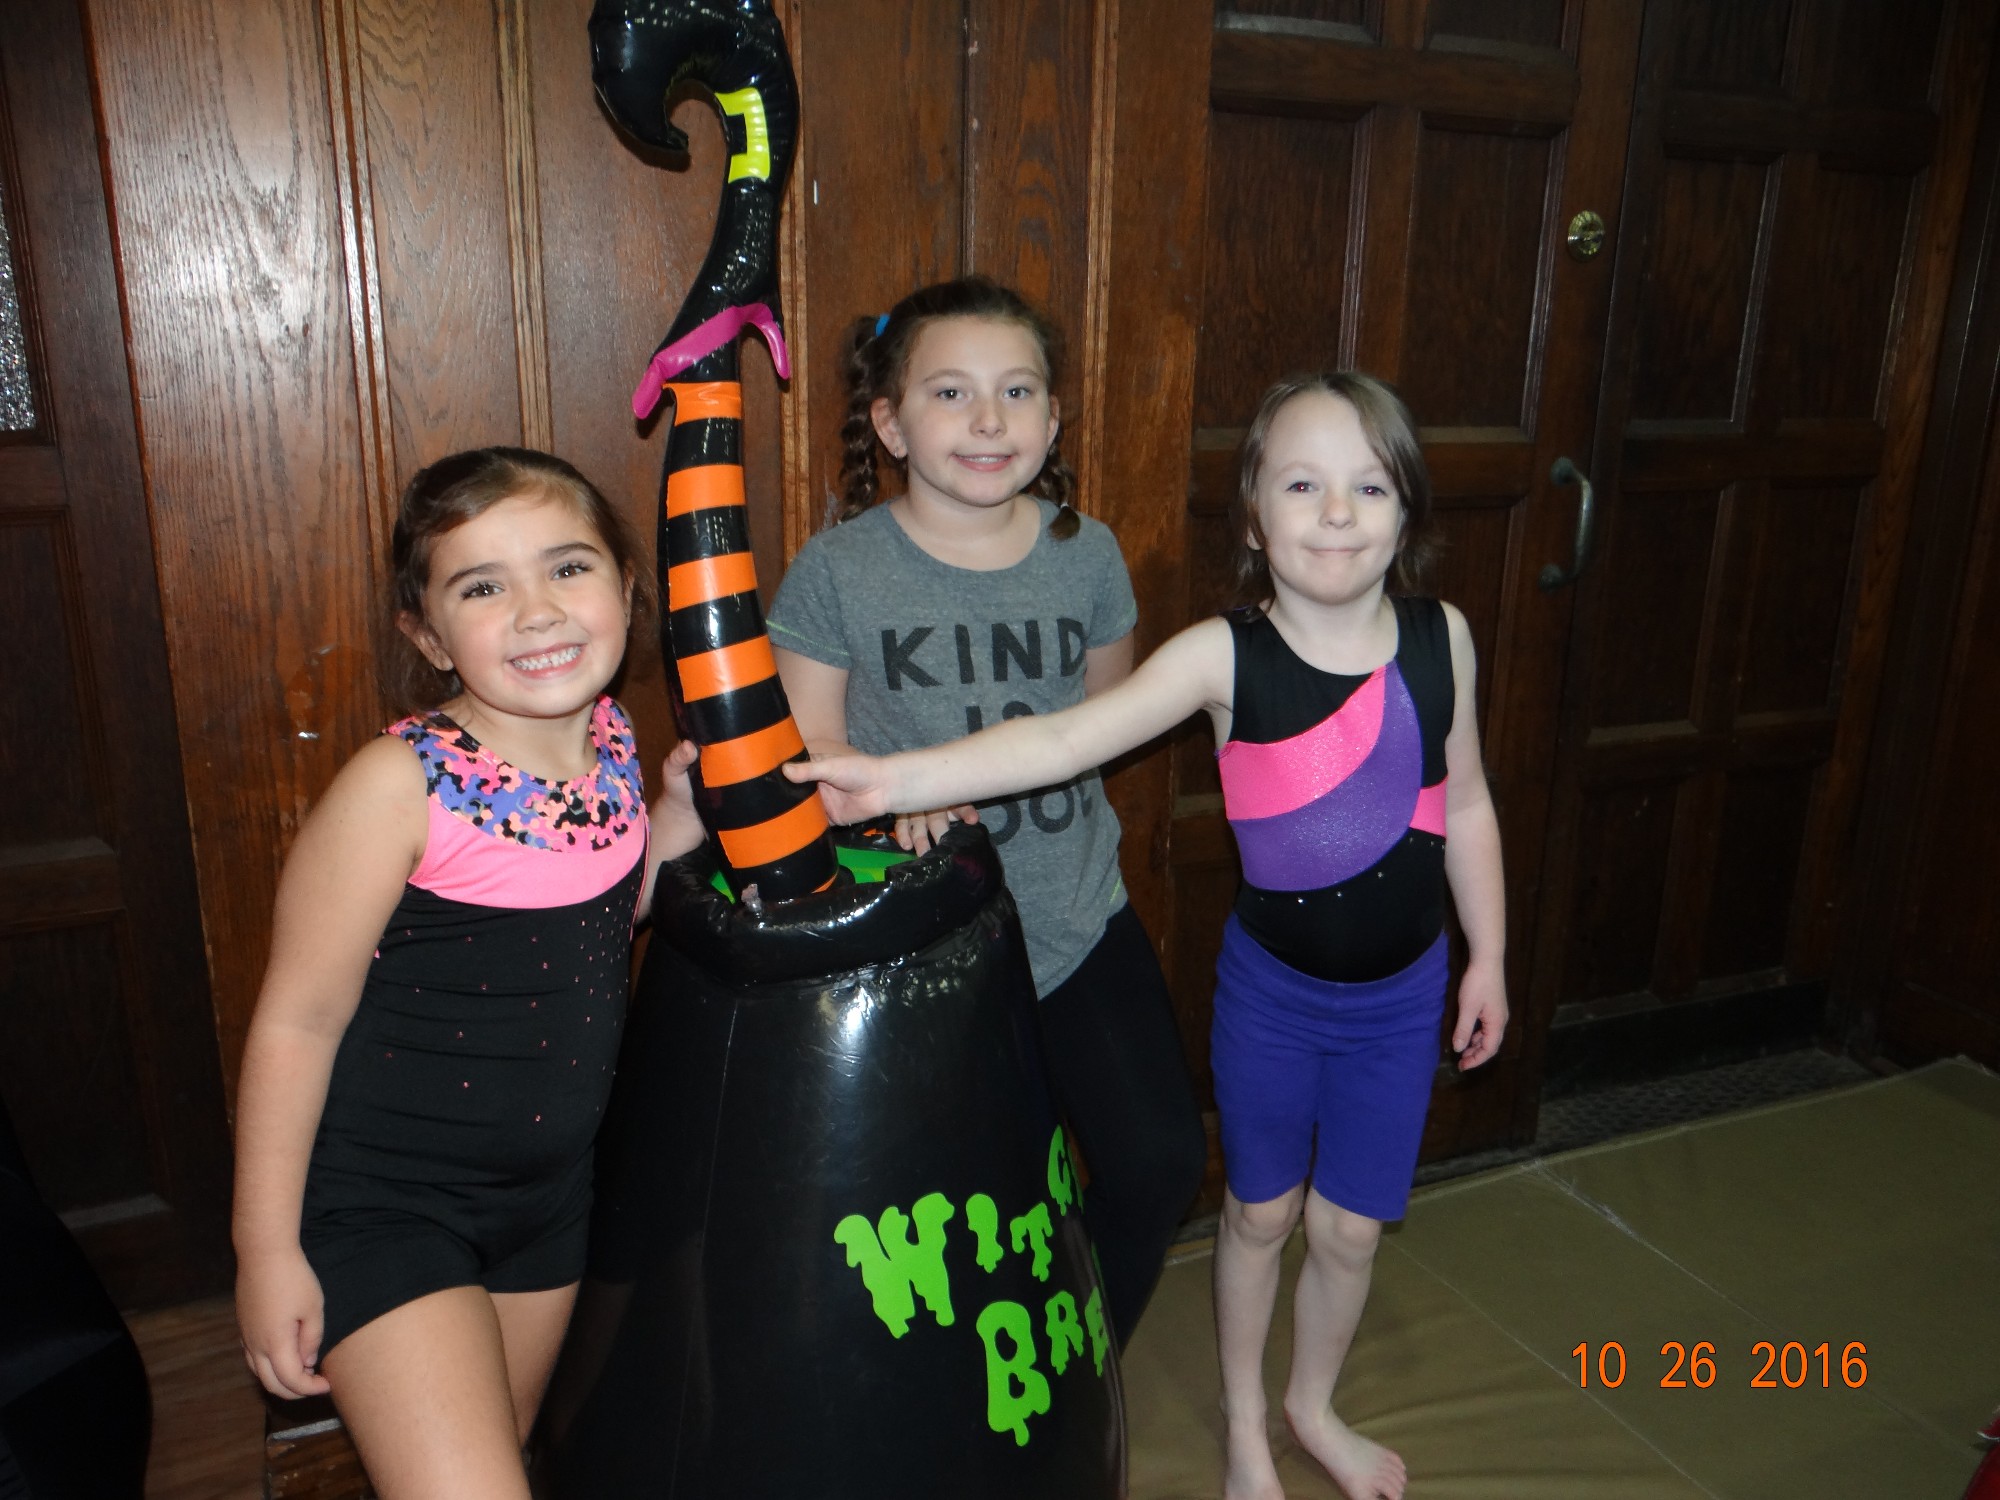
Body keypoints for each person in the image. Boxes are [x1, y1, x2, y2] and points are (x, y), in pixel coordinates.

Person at [788, 372, 1508, 1500]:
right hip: (1274, 999)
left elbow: (1463, 803)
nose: (1336, 513)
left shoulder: (1442, 639)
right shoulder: (1224, 656)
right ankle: (1243, 1422)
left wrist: (1489, 960)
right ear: (1255, 518)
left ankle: (1311, 1404)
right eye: (1302, 486)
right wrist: (896, 778)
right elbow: (1061, 740)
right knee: (1260, 1211)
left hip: (1402, 998)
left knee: (1350, 1234)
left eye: (1369, 487)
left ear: (1406, 510)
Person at [232, 448, 707, 1500]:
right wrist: (263, 1251)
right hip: (386, 1208)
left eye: (568, 567)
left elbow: (597, 914)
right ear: (429, 637)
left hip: (549, 1205)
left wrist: (671, 820)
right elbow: (296, 1024)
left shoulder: (613, 740)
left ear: (629, 589)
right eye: (482, 587)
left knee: (500, 1449)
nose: (537, 611)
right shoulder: (396, 785)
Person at [766, 275, 1207, 1347]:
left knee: (1158, 1164)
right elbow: (807, 754)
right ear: (890, 425)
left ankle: (1075, 1366)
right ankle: (966, 1392)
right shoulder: (838, 570)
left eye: (1017, 391)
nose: (988, 420)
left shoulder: (1086, 552)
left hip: (1077, 918)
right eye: (951, 392)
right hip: (919, 948)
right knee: (960, 1208)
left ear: (1051, 420)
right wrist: (900, 795)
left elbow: (1107, 721)